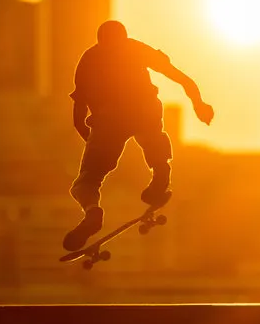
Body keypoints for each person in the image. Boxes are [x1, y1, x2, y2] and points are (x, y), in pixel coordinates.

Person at [62, 20, 214, 251]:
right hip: (143, 108)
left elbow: (78, 116)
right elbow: (180, 77)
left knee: (87, 182)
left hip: (108, 120)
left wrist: (95, 144)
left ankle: (92, 212)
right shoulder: (134, 48)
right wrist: (198, 102)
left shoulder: (88, 59)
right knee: (152, 134)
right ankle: (161, 173)